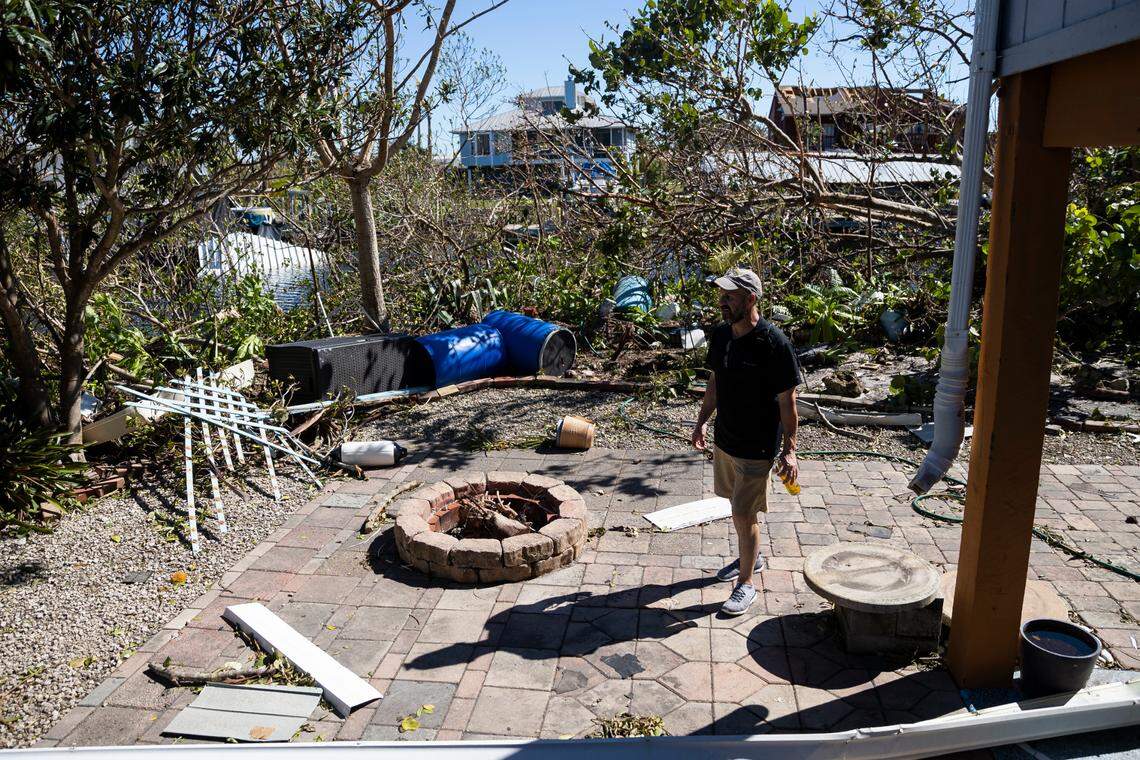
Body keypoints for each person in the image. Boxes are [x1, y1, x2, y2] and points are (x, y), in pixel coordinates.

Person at [692, 267, 801, 616]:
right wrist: (701, 422)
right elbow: (714, 383)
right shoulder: (721, 335)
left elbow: (788, 402)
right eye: (721, 295)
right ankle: (751, 558)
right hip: (726, 440)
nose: (722, 302)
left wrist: (790, 450)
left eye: (730, 296)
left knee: (743, 512)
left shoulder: (774, 344)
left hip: (757, 446)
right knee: (737, 509)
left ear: (751, 299)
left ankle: (746, 584)